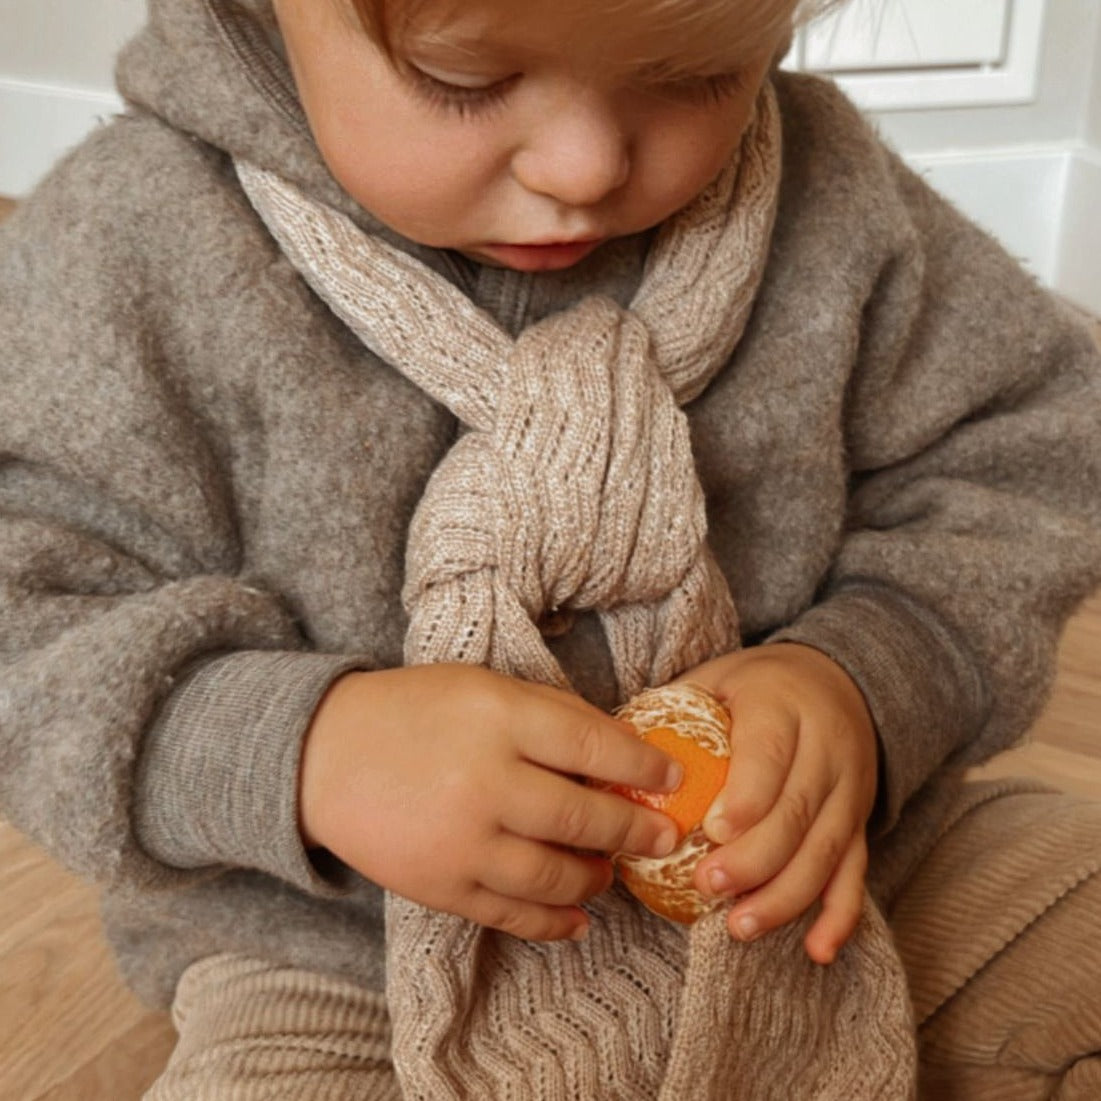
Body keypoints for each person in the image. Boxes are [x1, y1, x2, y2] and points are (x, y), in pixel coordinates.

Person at [1, 0, 1100, 1096]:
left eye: (690, 78)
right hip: (337, 960)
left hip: (831, 888)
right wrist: (302, 752)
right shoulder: (126, 243)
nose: (585, 166)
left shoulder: (831, 194)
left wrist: (871, 673)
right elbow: (26, 629)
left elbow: (1040, 445)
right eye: (465, 81)